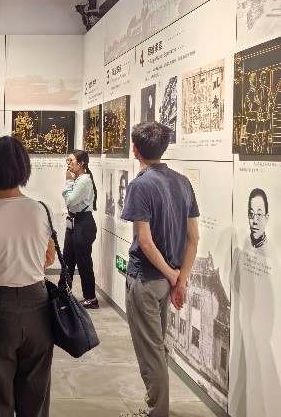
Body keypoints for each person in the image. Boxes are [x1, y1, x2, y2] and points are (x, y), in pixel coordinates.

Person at [0, 135, 56, 417]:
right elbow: (49, 257)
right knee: (36, 389)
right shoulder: (41, 209)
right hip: (38, 303)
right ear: (23, 168)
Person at [121, 121, 200, 417]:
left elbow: (145, 241)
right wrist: (180, 279)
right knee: (157, 346)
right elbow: (193, 237)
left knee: (151, 351)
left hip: (146, 279)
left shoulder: (140, 185)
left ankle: (157, 412)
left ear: (135, 149)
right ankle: (158, 408)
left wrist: (173, 276)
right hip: (167, 281)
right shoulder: (182, 182)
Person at [230, 188, 280, 416]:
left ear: (267, 218)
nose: (255, 219)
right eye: (252, 214)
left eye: (260, 214)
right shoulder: (244, 251)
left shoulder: (272, 256)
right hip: (245, 331)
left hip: (262, 337)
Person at [61, 149, 99, 309]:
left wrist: (68, 182)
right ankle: (63, 294)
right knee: (67, 260)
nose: (68, 164)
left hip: (83, 224)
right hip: (74, 222)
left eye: (71, 161)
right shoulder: (79, 179)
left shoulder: (83, 181)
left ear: (81, 163)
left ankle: (91, 298)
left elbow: (70, 201)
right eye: (68, 160)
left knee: (84, 263)